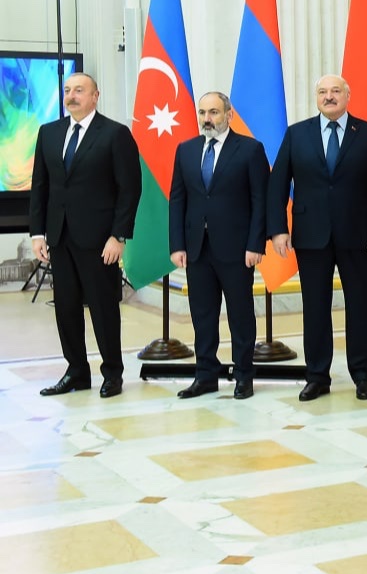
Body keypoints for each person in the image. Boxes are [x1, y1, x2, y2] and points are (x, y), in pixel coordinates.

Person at [268, 74, 367, 401]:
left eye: (335, 91)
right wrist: (278, 229)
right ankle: (317, 376)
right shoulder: (297, 134)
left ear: (347, 96)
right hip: (311, 237)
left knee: (361, 306)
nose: (329, 97)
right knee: (315, 308)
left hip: (359, 236)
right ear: (316, 98)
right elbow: (277, 185)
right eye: (323, 92)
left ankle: (363, 375)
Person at [29, 72, 142, 398]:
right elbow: (40, 186)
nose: (71, 96)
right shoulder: (49, 133)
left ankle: (113, 373)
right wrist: (37, 233)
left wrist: (118, 236)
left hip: (100, 240)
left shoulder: (115, 134)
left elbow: (129, 189)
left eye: (79, 90)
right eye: (67, 90)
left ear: (95, 95)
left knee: (103, 308)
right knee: (65, 308)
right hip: (59, 237)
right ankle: (76, 371)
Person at [169, 92, 270, 400]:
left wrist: (256, 244)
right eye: (202, 112)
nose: (207, 119)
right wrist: (177, 245)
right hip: (197, 248)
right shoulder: (186, 150)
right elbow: (178, 200)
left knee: (240, 315)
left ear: (229, 115)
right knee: (203, 316)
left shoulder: (250, 149)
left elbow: (260, 200)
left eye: (213, 112)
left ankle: (244, 376)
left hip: (237, 249)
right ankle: (205, 376)